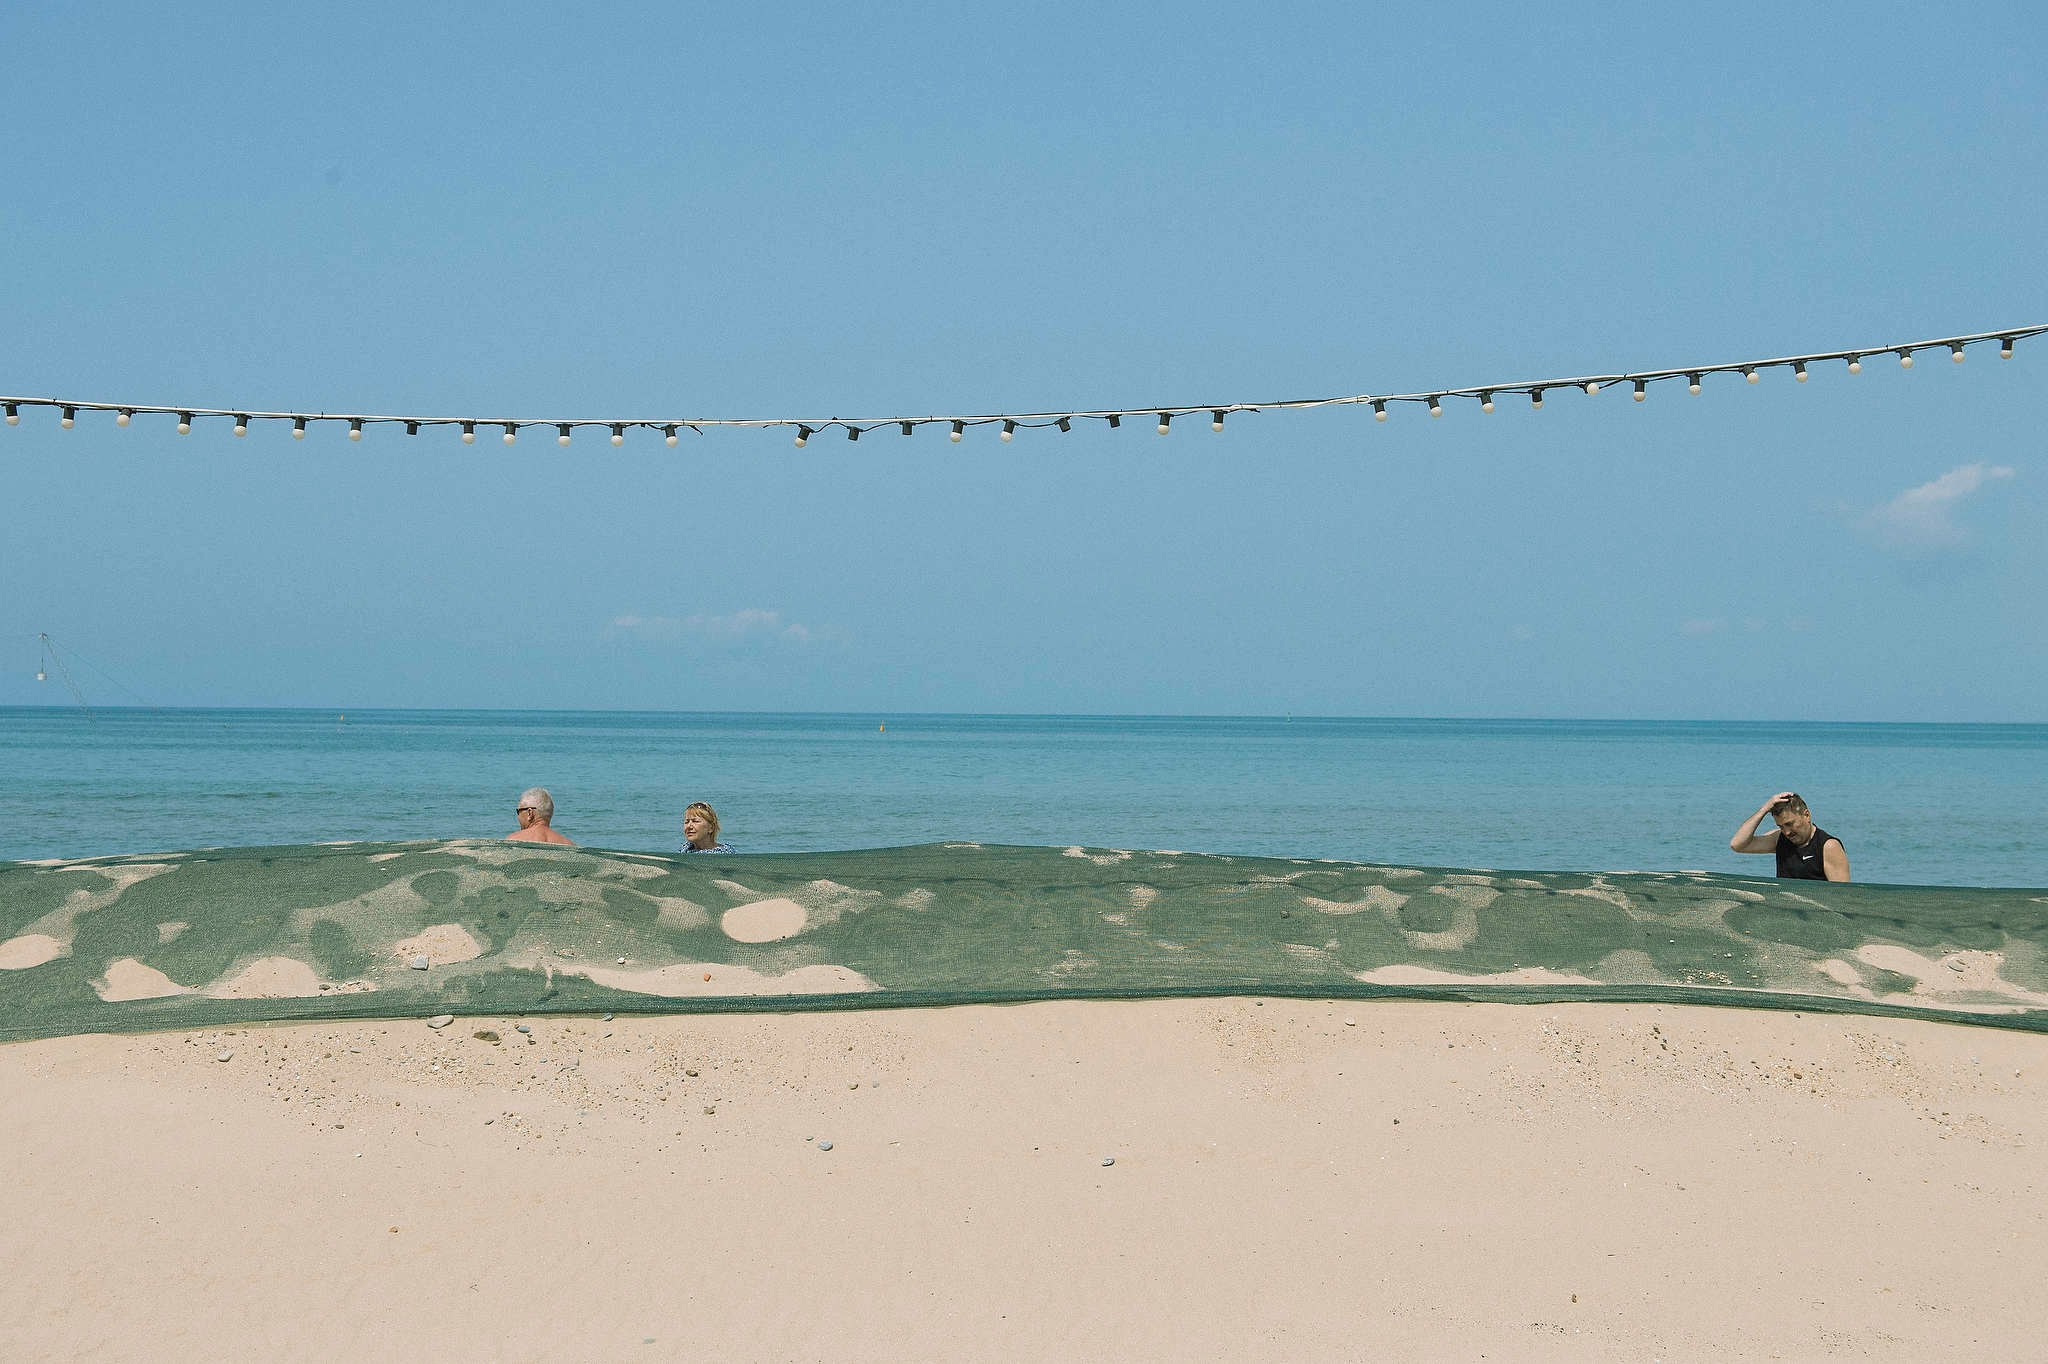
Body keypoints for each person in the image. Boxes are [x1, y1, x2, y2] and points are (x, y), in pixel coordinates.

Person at [1729, 791, 1848, 881]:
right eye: (1781, 826)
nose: (1787, 832)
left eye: (1789, 824)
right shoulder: (1779, 839)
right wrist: (1764, 809)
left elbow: (1842, 896)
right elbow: (1737, 845)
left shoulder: (1828, 846)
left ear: (1806, 815)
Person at [507, 787, 576, 845]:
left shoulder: (513, 841)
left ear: (529, 813)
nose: (518, 816)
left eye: (518, 811)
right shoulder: (569, 845)